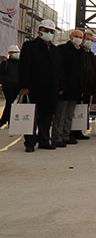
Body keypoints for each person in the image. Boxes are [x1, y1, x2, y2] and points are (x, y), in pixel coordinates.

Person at [19, 19, 62, 152]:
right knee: (32, 116)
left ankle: (44, 140)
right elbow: (24, 67)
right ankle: (30, 142)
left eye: (51, 31)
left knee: (46, 116)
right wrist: (24, 86)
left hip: (51, 89)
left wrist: (60, 86)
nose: (49, 33)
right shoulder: (29, 46)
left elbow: (59, 70)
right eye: (46, 31)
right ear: (39, 31)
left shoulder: (54, 50)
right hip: (34, 88)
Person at [52, 30, 86, 147]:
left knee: (69, 115)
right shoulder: (62, 49)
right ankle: (57, 137)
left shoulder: (81, 52)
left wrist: (81, 89)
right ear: (71, 37)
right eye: (76, 36)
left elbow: (82, 72)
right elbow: (59, 69)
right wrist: (60, 86)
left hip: (76, 89)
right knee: (60, 115)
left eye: (80, 37)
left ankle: (66, 135)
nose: (78, 39)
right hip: (64, 88)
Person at [71, 31, 96, 140]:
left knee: (83, 110)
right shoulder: (78, 52)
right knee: (74, 111)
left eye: (92, 40)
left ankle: (79, 131)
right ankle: (71, 132)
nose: (89, 42)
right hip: (78, 87)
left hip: (88, 87)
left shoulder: (91, 54)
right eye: (88, 39)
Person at [0, 45, 21, 128]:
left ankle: (6, 120)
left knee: (10, 103)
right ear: (10, 53)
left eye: (17, 52)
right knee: (10, 103)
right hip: (8, 87)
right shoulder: (5, 63)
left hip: (17, 87)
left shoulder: (21, 63)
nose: (17, 54)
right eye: (15, 52)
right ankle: (4, 120)